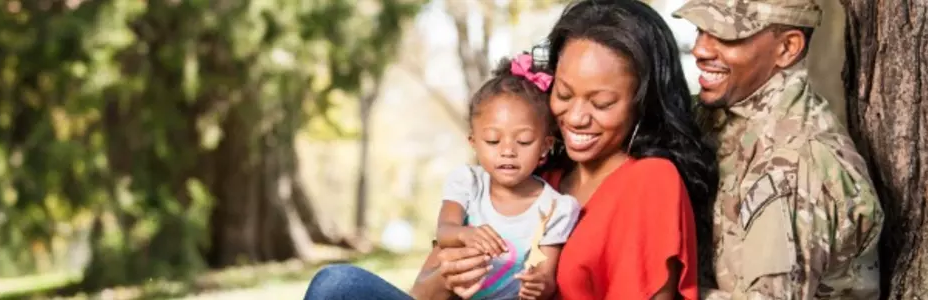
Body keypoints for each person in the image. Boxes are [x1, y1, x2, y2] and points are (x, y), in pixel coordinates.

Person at [304, 1, 717, 299]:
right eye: (565, 94)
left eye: (602, 103)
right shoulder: (536, 174)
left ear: (643, 102)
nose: (575, 117)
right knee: (338, 286)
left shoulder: (649, 180)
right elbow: (422, 291)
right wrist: (450, 278)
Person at [672, 0, 885, 299]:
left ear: (787, 48)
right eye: (700, 30)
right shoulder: (721, 115)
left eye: (726, 37)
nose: (700, 50)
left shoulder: (796, 162)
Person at [433, 53, 582, 300]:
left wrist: (538, 285)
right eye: (492, 140)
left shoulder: (556, 208)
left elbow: (546, 278)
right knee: (348, 281)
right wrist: (464, 234)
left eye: (523, 141)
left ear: (545, 146)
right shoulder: (468, 183)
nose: (508, 151)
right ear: (474, 143)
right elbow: (444, 231)